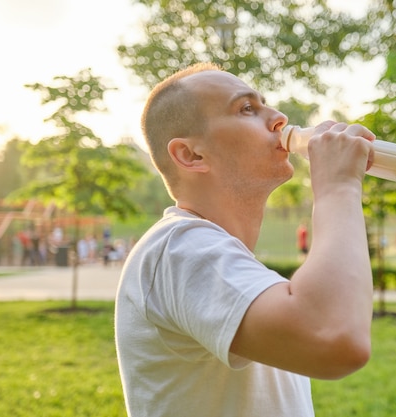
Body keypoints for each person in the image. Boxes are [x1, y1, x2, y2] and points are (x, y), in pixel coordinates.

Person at [114, 62, 375, 417]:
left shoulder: (220, 256)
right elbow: (333, 336)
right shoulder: (178, 248)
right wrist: (338, 187)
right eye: (247, 108)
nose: (279, 117)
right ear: (191, 155)